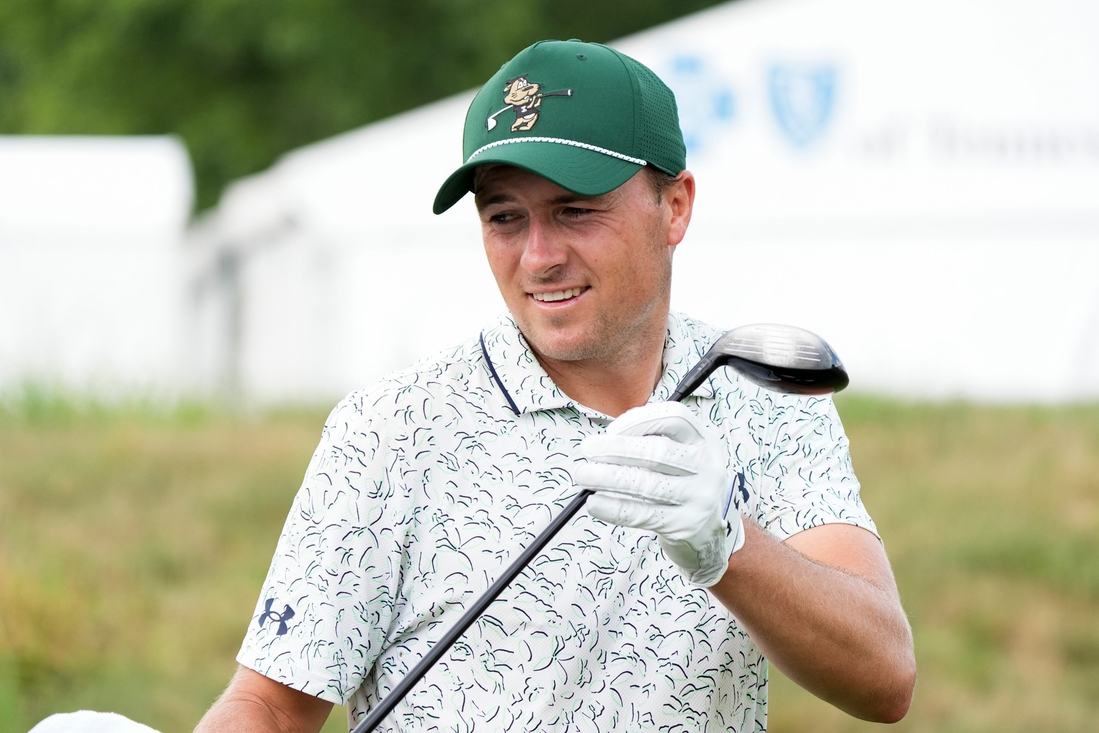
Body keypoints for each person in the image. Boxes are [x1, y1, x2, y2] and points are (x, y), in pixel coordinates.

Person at [195, 39, 915, 733]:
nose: (538, 256)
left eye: (575, 209)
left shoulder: (758, 392)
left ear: (674, 206)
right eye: (505, 217)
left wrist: (728, 541)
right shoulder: (391, 428)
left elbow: (883, 677)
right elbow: (269, 708)